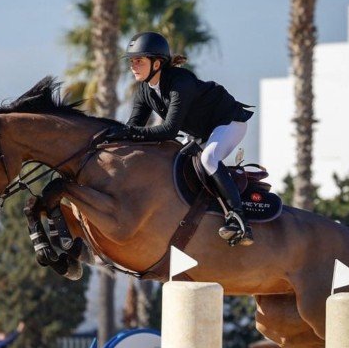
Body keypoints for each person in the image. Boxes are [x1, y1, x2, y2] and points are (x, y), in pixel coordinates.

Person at [106, 31, 255, 246]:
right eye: (131, 61)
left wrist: (127, 133)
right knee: (173, 163)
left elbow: (168, 130)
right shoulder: (144, 91)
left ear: (157, 63)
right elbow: (133, 129)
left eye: (139, 60)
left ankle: (238, 217)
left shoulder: (180, 82)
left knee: (209, 159)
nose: (133, 66)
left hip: (229, 122)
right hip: (199, 134)